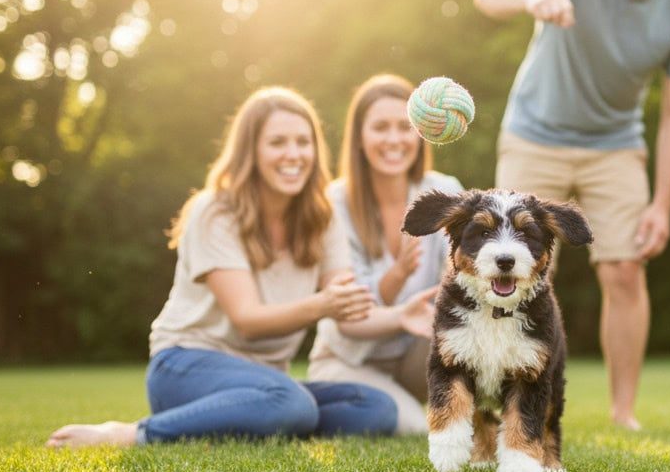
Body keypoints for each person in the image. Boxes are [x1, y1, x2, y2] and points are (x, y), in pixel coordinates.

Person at [46, 87, 435, 448]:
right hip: (186, 365)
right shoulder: (215, 211)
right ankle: (133, 433)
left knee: (374, 408)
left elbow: (349, 315)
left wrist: (401, 315)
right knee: (292, 403)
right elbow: (247, 318)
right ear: (251, 150)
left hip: (263, 378)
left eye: (303, 142)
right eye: (277, 143)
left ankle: (256, 418)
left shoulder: (322, 217)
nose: (293, 154)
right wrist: (322, 305)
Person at [472, 0, 670, 430]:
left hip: (615, 147)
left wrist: (664, 205)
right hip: (535, 133)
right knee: (510, 268)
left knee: (626, 271)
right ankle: (499, 401)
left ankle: (623, 412)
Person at [307, 74, 462, 435]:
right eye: (380, 128)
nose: (394, 139)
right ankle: (321, 405)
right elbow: (349, 316)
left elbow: (462, 286)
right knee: (413, 427)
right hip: (350, 359)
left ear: (421, 132)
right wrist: (395, 281)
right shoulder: (335, 203)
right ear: (360, 138)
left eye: (404, 127)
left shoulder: (444, 190)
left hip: (413, 357)